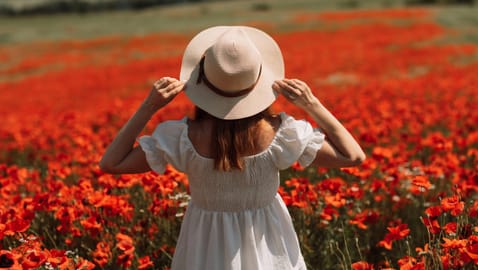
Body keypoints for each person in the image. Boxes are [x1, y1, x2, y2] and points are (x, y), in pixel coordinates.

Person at [99, 26, 366, 270]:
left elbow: (112, 163)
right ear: (258, 82)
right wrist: (312, 104)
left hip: (203, 247)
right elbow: (353, 156)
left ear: (201, 80)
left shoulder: (182, 137)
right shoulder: (280, 134)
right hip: (268, 247)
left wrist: (149, 106)